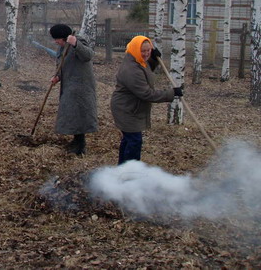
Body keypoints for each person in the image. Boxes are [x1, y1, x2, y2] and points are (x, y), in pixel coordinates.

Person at [111, 35, 182, 165]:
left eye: (148, 50)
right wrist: (171, 94)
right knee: (134, 141)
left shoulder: (137, 60)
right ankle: (130, 173)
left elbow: (146, 70)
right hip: (126, 109)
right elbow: (147, 94)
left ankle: (123, 169)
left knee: (129, 139)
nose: (145, 53)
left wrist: (153, 59)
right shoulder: (131, 70)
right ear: (135, 49)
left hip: (131, 107)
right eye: (143, 51)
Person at [49, 24, 98, 156]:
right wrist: (57, 76)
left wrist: (76, 44)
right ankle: (76, 140)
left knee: (80, 114)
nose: (55, 41)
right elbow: (61, 64)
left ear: (63, 37)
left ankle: (81, 145)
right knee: (72, 113)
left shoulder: (78, 40)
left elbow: (88, 55)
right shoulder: (61, 47)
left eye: (57, 39)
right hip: (69, 85)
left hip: (81, 86)